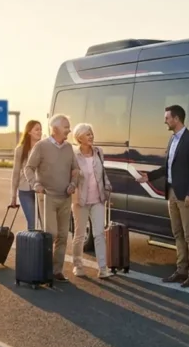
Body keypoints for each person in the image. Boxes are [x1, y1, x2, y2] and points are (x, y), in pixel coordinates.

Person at [136, 104, 189, 287]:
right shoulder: (172, 140)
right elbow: (168, 167)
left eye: (167, 118)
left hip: (186, 195)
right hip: (172, 192)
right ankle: (181, 270)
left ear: (176, 119)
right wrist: (148, 177)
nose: (165, 121)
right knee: (177, 233)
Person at [23, 114, 79, 282]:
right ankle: (44, 270)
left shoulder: (69, 148)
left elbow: (75, 169)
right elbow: (29, 168)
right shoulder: (41, 146)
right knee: (51, 233)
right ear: (55, 129)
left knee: (63, 235)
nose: (69, 130)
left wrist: (73, 183)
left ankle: (56, 271)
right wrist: (35, 184)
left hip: (65, 197)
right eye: (66, 127)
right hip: (47, 197)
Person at [70, 123, 114, 279]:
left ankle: (103, 268)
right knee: (80, 234)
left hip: (98, 199)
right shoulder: (74, 155)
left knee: (99, 233)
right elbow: (70, 175)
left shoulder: (98, 152)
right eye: (87, 134)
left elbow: (103, 174)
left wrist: (107, 189)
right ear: (79, 137)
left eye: (91, 133)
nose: (91, 136)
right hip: (80, 200)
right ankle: (77, 265)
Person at [11, 120, 43, 230]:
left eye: (40, 129)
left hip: (41, 190)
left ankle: (44, 247)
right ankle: (32, 246)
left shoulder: (44, 147)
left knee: (45, 224)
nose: (39, 132)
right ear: (29, 132)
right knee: (32, 223)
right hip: (25, 191)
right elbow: (15, 173)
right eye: (36, 129)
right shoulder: (20, 149)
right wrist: (13, 196)